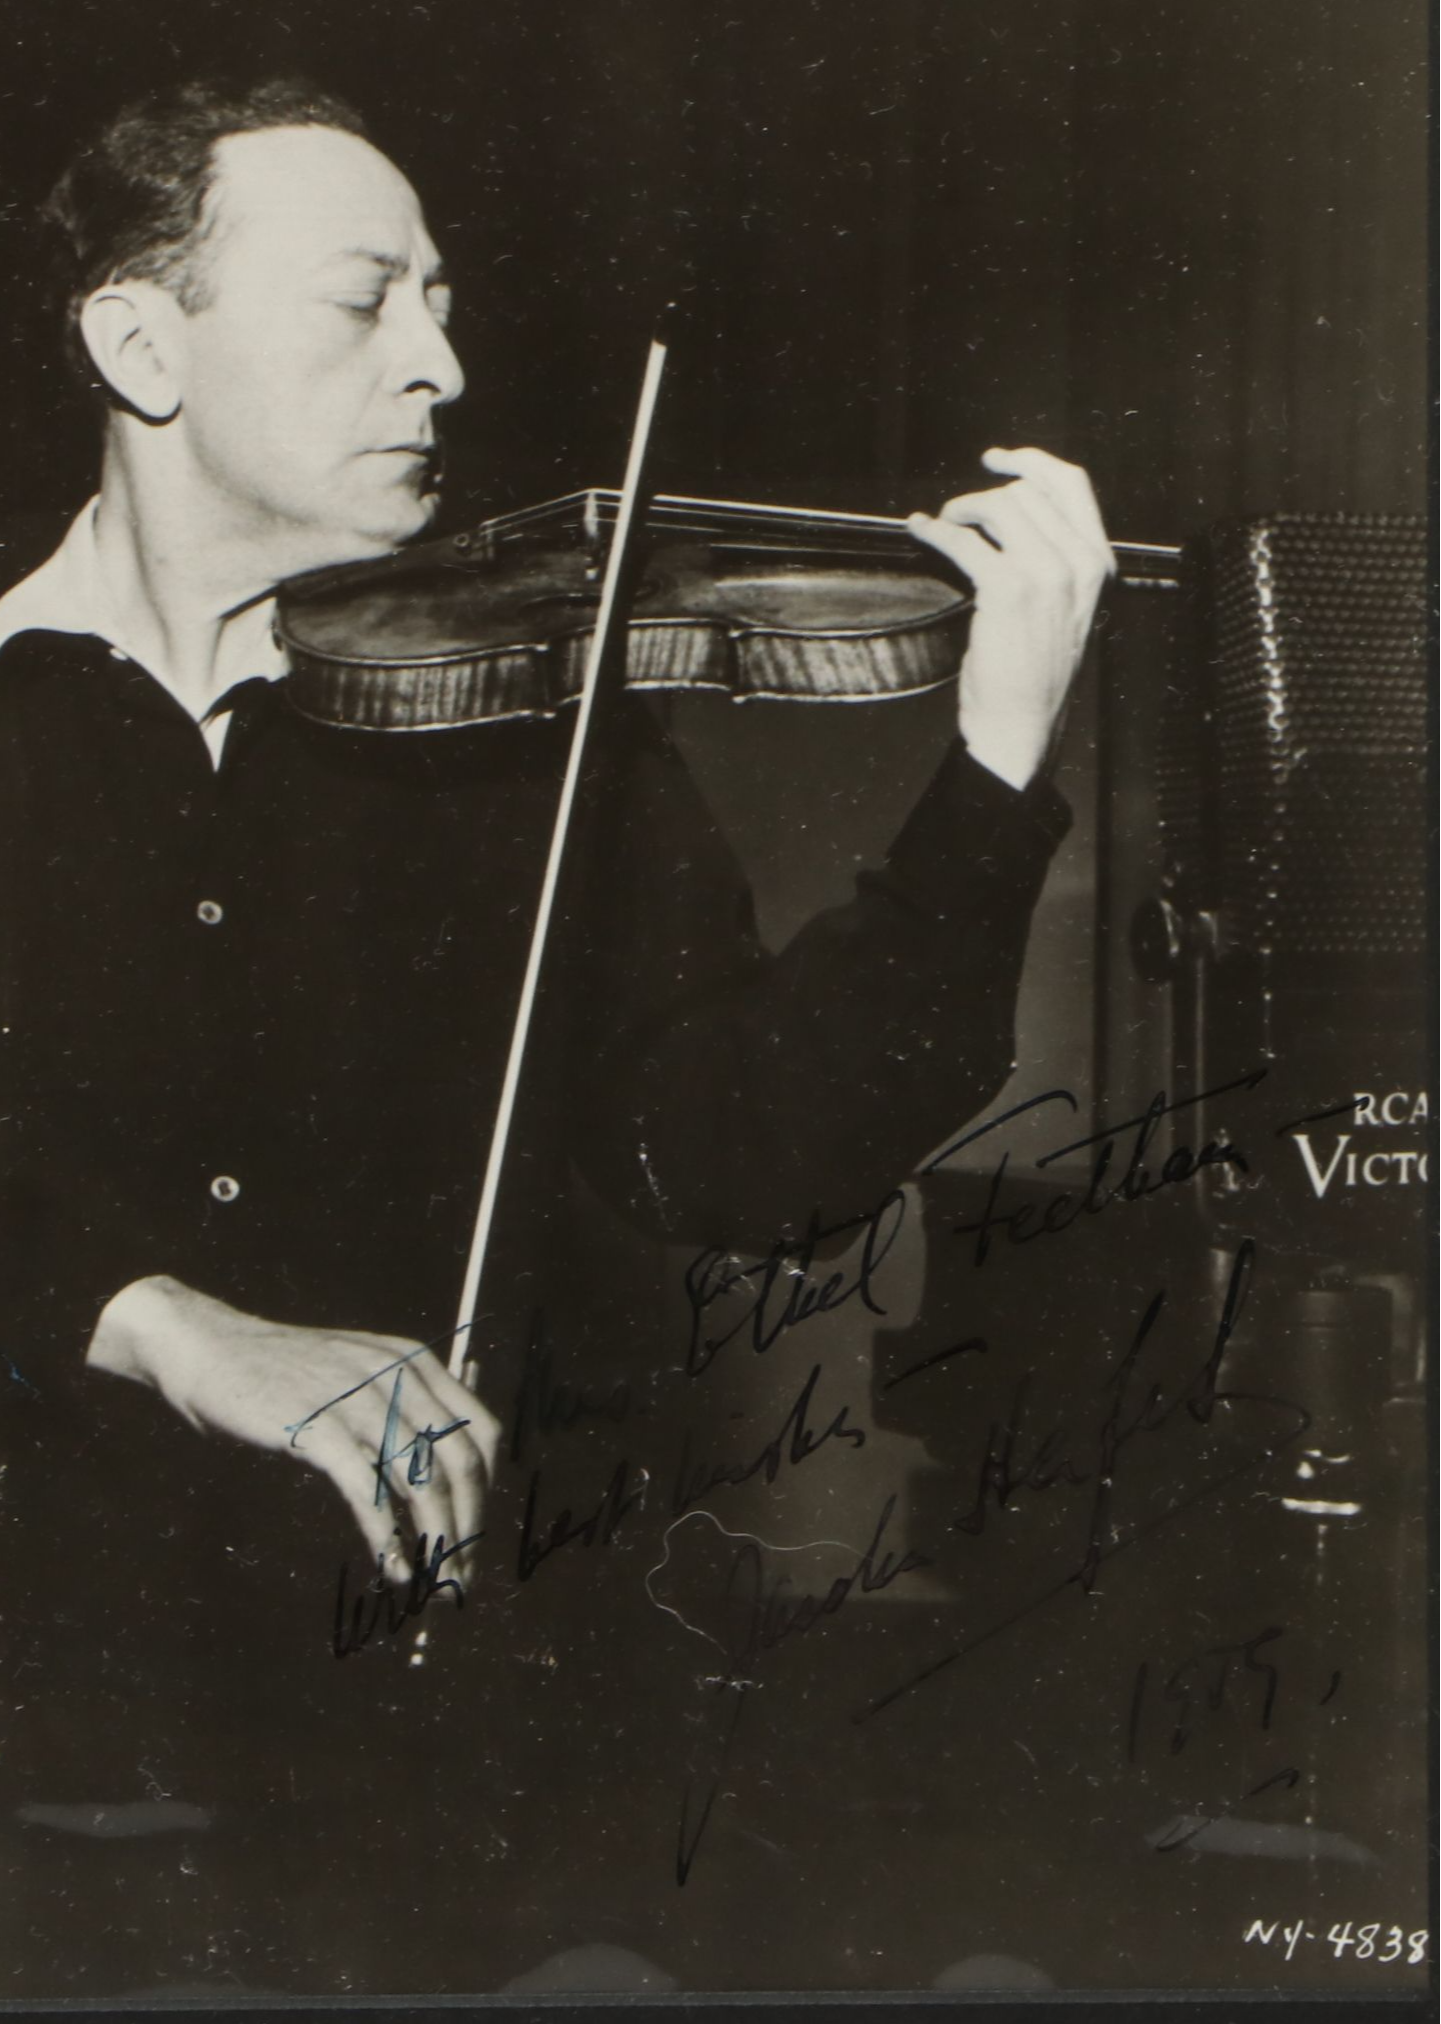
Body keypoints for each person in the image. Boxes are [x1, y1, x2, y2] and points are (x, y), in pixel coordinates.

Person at [0, 78, 1112, 1992]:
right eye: (368, 300)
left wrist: (995, 771)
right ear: (136, 341)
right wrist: (163, 1319)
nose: (441, 359)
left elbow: (741, 1153)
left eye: (445, 296)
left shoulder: (534, 735)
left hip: (416, 1778)